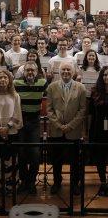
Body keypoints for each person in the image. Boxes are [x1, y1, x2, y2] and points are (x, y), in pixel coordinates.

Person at [46, 61, 86, 195]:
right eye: (63, 70)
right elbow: (49, 109)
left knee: (75, 160)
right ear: (59, 72)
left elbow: (82, 110)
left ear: (73, 72)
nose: (66, 72)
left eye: (68, 70)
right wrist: (59, 125)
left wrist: (69, 126)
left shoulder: (81, 88)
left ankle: (75, 184)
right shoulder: (52, 87)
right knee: (56, 159)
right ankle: (57, 182)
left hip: (73, 131)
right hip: (56, 131)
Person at [14, 62, 47, 194]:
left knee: (35, 154)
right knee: (21, 153)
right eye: (27, 70)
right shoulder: (16, 83)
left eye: (32, 70)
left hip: (34, 122)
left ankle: (31, 182)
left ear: (36, 71)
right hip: (20, 122)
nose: (30, 73)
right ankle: (23, 181)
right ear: (23, 72)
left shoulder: (42, 83)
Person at [0, 70, 23, 193]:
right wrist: (0, 129)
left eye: (5, 77)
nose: (3, 80)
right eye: (0, 78)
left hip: (11, 132)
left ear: (9, 80)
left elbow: (17, 113)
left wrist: (7, 127)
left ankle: (11, 186)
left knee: (11, 160)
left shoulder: (15, 95)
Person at [89, 66, 108, 196]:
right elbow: (91, 113)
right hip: (99, 128)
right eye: (104, 75)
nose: (107, 77)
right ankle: (103, 183)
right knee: (100, 157)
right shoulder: (95, 91)